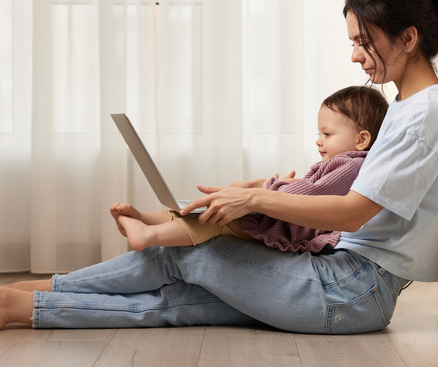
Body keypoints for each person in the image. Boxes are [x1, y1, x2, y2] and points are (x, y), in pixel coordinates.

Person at [0, 0, 438, 335]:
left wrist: (252, 201)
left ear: (408, 37)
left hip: (351, 290)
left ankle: (22, 294)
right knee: (178, 301)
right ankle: (12, 304)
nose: (355, 54)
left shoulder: (426, 117)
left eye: (364, 40)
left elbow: (354, 209)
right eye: (351, 40)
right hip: (346, 285)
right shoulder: (406, 107)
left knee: (190, 252)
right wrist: (254, 193)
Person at [112, 86, 388, 254]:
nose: (318, 140)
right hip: (287, 218)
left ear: (361, 139)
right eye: (319, 133)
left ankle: (149, 235)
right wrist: (271, 186)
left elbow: (311, 195)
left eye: (327, 134)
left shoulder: (351, 164)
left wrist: (271, 189)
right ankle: (146, 218)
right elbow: (308, 189)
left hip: (290, 227)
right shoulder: (339, 163)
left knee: (219, 222)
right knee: (205, 209)